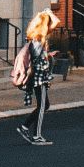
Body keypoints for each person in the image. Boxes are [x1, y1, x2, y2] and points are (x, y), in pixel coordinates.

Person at [17, 9, 57, 145]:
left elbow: (39, 57)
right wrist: (48, 13)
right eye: (46, 25)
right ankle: (36, 135)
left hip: (39, 76)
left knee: (45, 105)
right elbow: (38, 60)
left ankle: (24, 127)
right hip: (40, 77)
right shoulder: (38, 39)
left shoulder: (36, 39)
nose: (49, 27)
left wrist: (49, 54)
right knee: (42, 106)